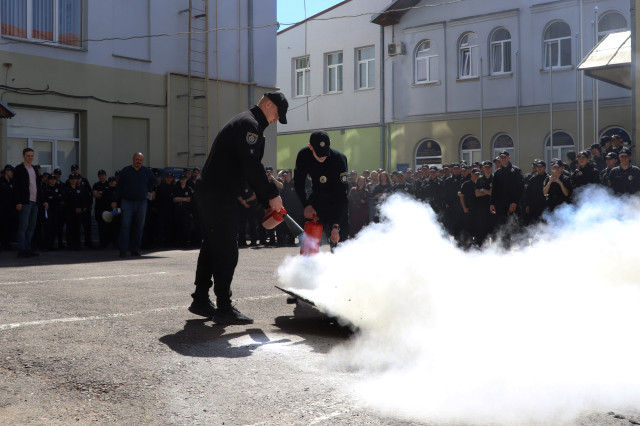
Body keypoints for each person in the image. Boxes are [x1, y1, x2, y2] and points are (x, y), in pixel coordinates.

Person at [190, 92, 288, 325]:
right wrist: (272, 195)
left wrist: (266, 201)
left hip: (212, 192)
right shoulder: (250, 125)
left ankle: (201, 299)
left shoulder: (247, 122)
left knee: (212, 245)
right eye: (276, 114)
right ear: (267, 104)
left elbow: (247, 169)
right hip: (217, 194)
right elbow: (252, 166)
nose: (276, 120)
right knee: (226, 249)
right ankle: (224, 307)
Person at [294, 130, 349, 251]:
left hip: (336, 202)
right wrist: (306, 205)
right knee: (311, 246)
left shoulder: (339, 159)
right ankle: (310, 266)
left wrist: (336, 226)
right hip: (317, 200)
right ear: (310, 147)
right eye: (319, 154)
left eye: (324, 153)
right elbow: (298, 184)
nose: (322, 157)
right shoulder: (303, 156)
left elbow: (342, 194)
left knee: (339, 244)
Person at [111, 152, 157, 257]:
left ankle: (135, 249)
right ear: (133, 159)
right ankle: (123, 250)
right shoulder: (125, 171)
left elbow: (154, 181)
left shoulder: (146, 171)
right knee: (125, 226)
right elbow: (119, 187)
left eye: (141, 160)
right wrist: (114, 200)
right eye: (137, 159)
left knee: (139, 227)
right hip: (127, 202)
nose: (139, 162)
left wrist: (149, 190)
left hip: (142, 202)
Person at [14, 148, 42, 258]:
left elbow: (38, 186)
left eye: (32, 155)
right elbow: (16, 187)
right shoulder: (19, 169)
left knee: (31, 226)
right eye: (28, 155)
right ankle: (22, 249)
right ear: (23, 156)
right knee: (23, 226)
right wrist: (18, 202)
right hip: (25, 202)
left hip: (35, 202)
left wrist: (42, 200)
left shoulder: (34, 169)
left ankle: (28, 248)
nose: (30, 157)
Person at [0, 165, 17, 251]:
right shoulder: (1, 181)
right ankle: (3, 244)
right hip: (2, 208)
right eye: (10, 171)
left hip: (11, 208)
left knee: (9, 226)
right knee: (3, 227)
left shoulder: (12, 182)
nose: (12, 173)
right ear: (6, 171)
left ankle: (7, 244)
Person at [93, 169, 111, 248]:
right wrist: (104, 194)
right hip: (99, 209)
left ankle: (108, 242)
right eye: (100, 175)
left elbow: (109, 195)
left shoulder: (108, 184)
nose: (101, 177)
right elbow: (95, 195)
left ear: (105, 175)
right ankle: (102, 243)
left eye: (103, 175)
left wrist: (102, 193)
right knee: (100, 227)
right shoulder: (96, 185)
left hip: (107, 208)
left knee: (108, 227)